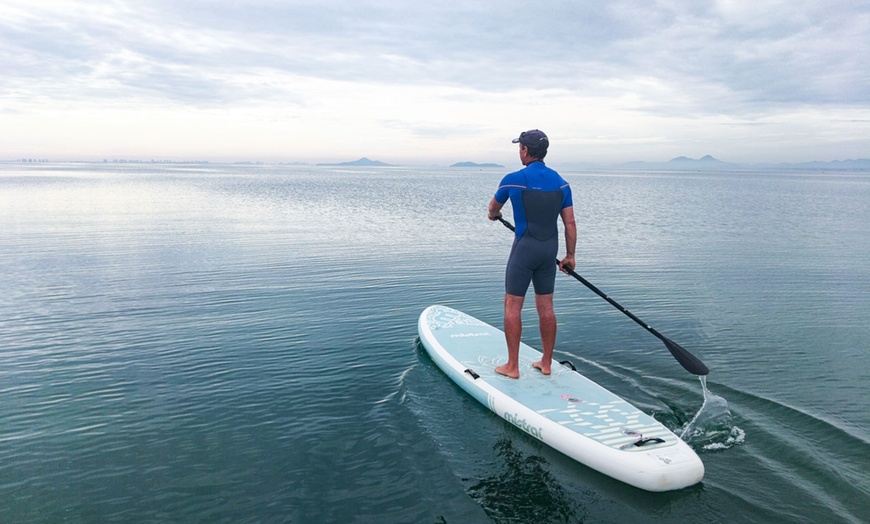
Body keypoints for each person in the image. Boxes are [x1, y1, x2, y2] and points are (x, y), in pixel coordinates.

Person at [487, 129, 576, 378]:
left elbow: (493, 208)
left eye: (520, 148)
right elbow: (570, 223)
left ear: (525, 150)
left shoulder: (513, 180)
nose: (519, 151)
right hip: (549, 251)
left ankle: (512, 367)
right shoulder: (561, 183)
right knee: (546, 306)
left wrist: (495, 216)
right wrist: (570, 256)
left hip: (524, 250)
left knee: (512, 306)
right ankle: (546, 363)